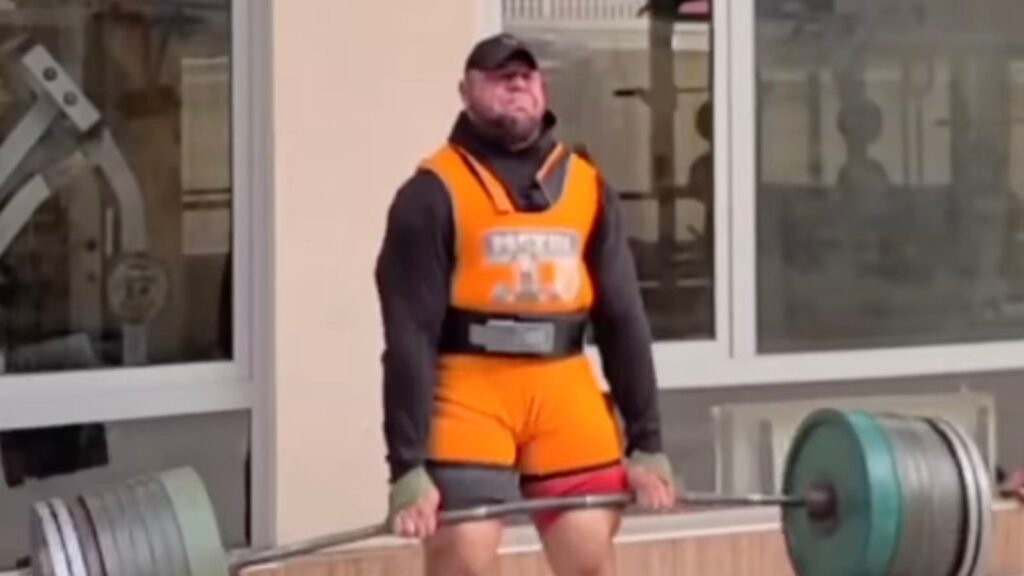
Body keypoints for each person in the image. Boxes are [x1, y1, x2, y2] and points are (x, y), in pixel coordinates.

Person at [374, 32, 679, 575]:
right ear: (465, 92)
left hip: (562, 385)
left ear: (543, 89)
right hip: (469, 391)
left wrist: (647, 442)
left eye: (527, 74)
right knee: (463, 559)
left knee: (589, 558)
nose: (517, 82)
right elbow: (408, 337)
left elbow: (622, 320)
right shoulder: (430, 194)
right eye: (500, 75)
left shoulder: (587, 188)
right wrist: (407, 465)